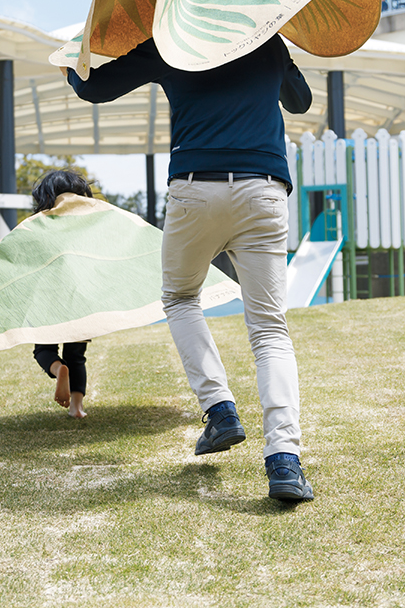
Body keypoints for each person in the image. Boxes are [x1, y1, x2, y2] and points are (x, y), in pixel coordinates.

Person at [64, 33, 315, 501]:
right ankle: (284, 460)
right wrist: (283, 58)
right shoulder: (265, 40)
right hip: (264, 189)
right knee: (269, 330)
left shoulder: (172, 38)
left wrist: (67, 62)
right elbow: (300, 102)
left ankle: (220, 411)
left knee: (180, 298)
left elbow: (93, 88)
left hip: (196, 187)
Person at [31, 169, 94, 419]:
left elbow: (14, 252)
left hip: (47, 298)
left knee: (43, 349)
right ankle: (76, 407)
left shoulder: (38, 225)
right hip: (79, 297)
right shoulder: (86, 227)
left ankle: (59, 370)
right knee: (76, 355)